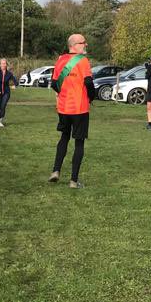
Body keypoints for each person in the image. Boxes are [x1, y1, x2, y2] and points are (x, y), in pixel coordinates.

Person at [48, 34, 95, 189]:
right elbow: (88, 82)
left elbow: (54, 84)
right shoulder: (83, 61)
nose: (85, 45)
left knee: (64, 137)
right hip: (80, 108)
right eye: (83, 43)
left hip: (63, 108)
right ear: (74, 45)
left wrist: (64, 93)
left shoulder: (60, 60)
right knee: (79, 143)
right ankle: (74, 181)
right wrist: (91, 97)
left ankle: (56, 170)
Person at [0, 58, 18, 128]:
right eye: (2, 63)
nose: (3, 65)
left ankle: (0, 121)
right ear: (0, 64)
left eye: (5, 63)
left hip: (6, 92)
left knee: (3, 106)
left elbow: (15, 81)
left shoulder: (9, 74)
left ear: (6, 65)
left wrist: (15, 86)